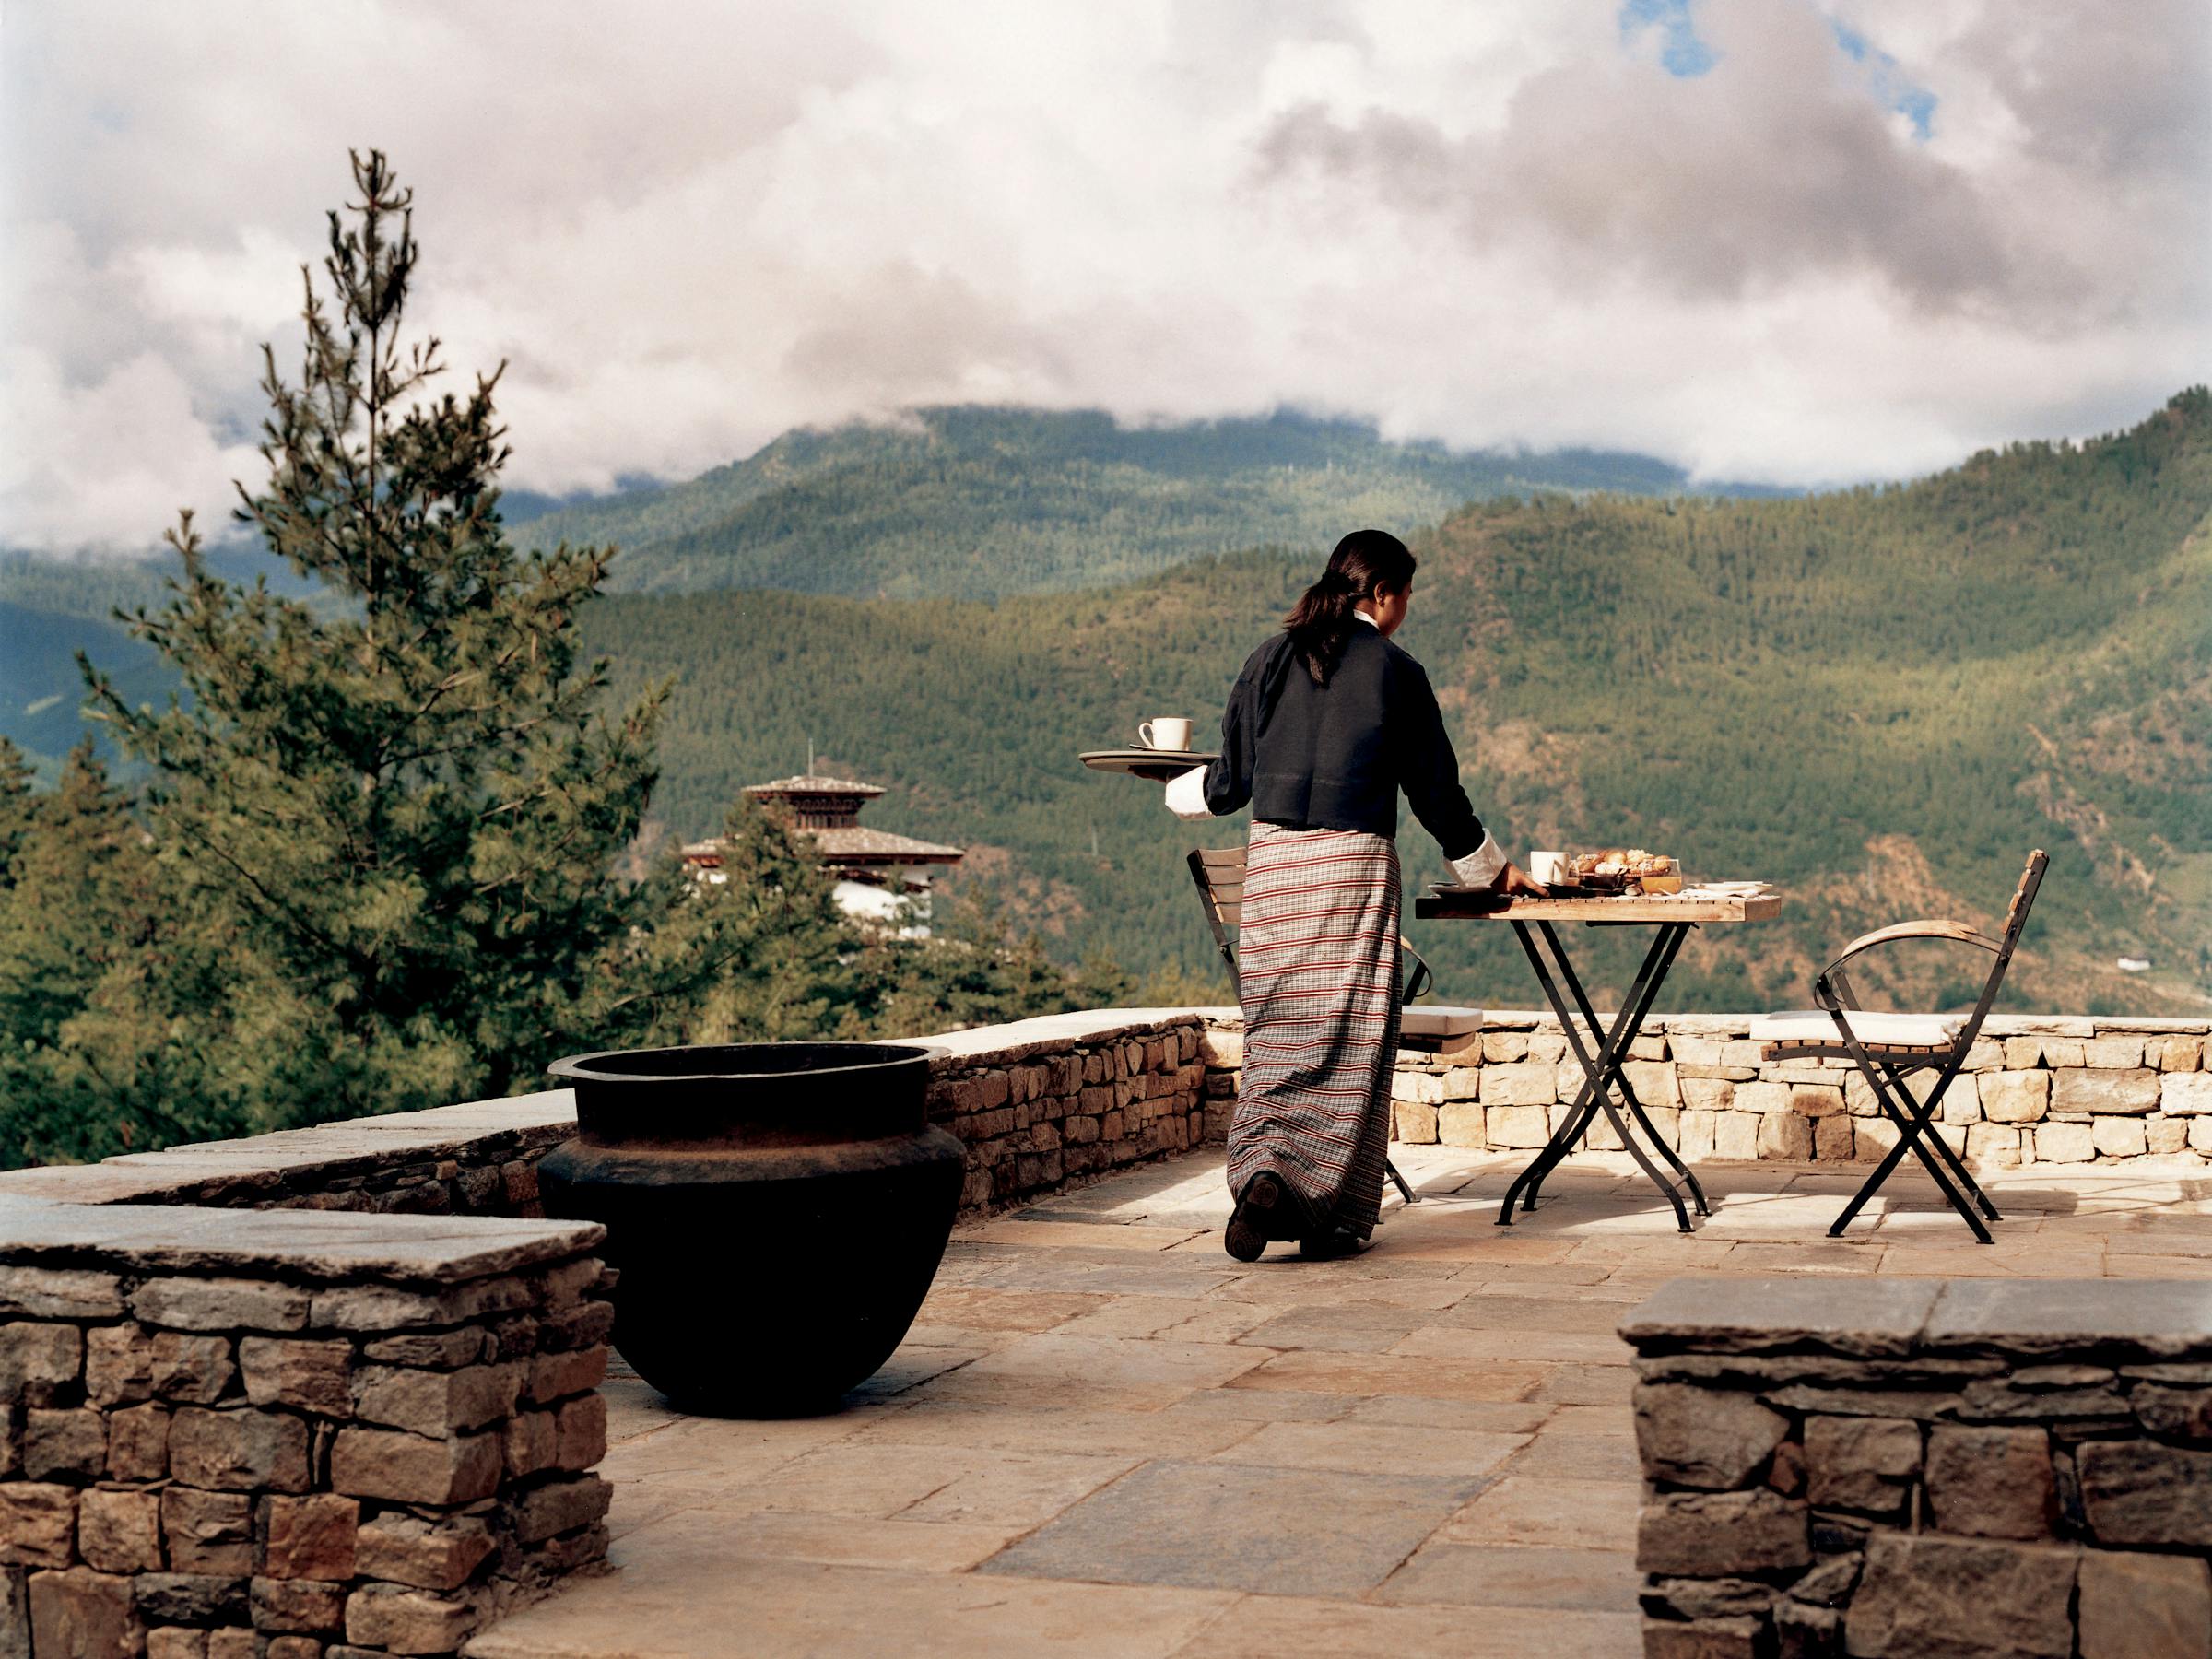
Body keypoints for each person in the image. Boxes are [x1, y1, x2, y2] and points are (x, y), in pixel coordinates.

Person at [1165, 529, 1544, 1261]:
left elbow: (1229, 784)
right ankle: (1327, 1214)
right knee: (1348, 1038)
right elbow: (1439, 797)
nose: (1405, 610)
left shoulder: (1269, 658)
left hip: (1274, 866)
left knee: (1278, 1030)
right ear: (1382, 595)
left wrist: (1174, 791)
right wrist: (1493, 871)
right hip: (1353, 869)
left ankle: (1265, 1174)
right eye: (1405, 596)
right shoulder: (1396, 672)